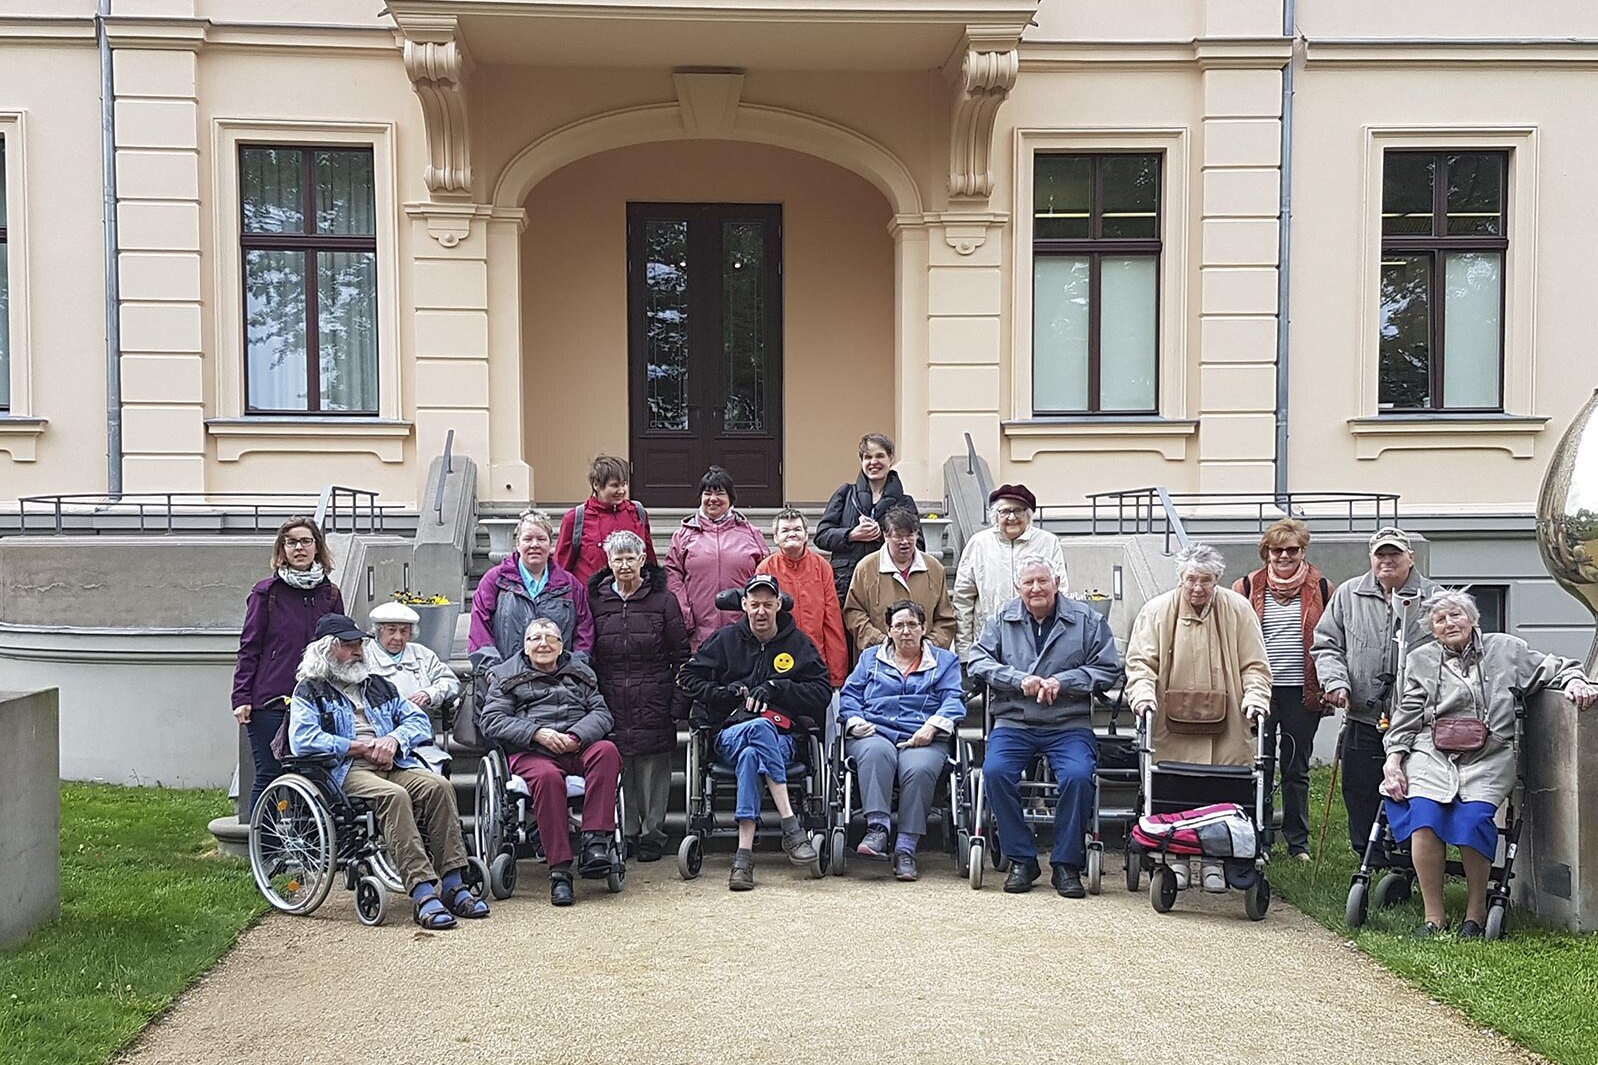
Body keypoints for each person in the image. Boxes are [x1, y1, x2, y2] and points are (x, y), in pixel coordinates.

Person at [1384, 590, 1597, 937]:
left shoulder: (1506, 650)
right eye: (1440, 619)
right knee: (1424, 819)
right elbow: (1407, 715)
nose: (1449, 623)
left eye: (1456, 615)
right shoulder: (1421, 659)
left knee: (1473, 820)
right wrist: (1394, 760)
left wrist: (1576, 681)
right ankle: (1433, 916)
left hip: (1489, 754)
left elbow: (1555, 668)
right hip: (1432, 754)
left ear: (1472, 619)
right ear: (1432, 629)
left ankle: (1476, 912)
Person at [288, 614, 489, 929]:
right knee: (393, 796)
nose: (357, 651)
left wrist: (394, 740)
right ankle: (423, 890)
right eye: (348, 645)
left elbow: (418, 721)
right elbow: (303, 740)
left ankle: (453, 882)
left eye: (359, 645)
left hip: (392, 762)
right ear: (327, 650)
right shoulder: (310, 691)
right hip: (344, 769)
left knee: (437, 786)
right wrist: (357, 747)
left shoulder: (379, 686)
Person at [968, 559, 1122, 897]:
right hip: (1014, 720)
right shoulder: (1001, 619)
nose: (1035, 589)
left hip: (1067, 722)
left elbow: (1109, 667)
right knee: (994, 773)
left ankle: (1067, 864)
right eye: (1028, 583)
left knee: (1079, 776)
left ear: (1056, 583)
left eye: (1042, 581)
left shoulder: (1086, 620)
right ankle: (1022, 858)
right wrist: (1018, 679)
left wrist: (1063, 681)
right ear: (1018, 588)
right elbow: (978, 661)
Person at [1126, 543, 1273, 893]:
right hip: (1170, 726)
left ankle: (1215, 860)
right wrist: (1143, 694)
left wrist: (1255, 696)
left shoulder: (1238, 609)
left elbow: (1255, 665)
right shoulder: (1157, 610)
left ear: (1217, 580)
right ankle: (1175, 858)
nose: (1197, 588)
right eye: (1191, 580)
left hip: (1227, 727)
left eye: (1205, 581)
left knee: (1222, 789)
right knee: (1174, 791)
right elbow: (1141, 664)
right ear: (1180, 578)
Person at [677, 574, 831, 891]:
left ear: (779, 605)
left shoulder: (798, 644)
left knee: (753, 753)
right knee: (756, 731)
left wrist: (778, 688)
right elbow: (687, 678)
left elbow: (821, 693)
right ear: (744, 605)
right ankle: (791, 825)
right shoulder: (725, 640)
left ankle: (743, 857)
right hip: (729, 734)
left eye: (767, 604)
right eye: (755, 604)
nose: (761, 611)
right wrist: (726, 693)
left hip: (783, 738)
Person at [1313, 526, 1440, 860]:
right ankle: (1367, 856)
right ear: (1371, 558)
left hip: (1415, 721)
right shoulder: (1348, 593)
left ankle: (1408, 855)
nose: (1387, 561)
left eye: (1394, 554)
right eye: (1380, 555)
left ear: (1410, 558)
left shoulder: (1434, 599)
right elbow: (1326, 644)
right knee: (1359, 788)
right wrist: (1335, 682)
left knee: (1411, 789)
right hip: (1362, 714)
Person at [480, 618, 622, 907]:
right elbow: (492, 720)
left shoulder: (580, 673)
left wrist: (576, 735)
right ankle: (559, 871)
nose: (543, 643)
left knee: (607, 751)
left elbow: (602, 714)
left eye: (550, 638)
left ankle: (595, 840)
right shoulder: (506, 676)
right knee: (546, 777)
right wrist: (537, 733)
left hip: (576, 744)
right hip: (533, 751)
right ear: (524, 645)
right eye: (535, 638)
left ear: (561, 645)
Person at [837, 599, 966, 881]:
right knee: (875, 753)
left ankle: (906, 848)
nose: (905, 631)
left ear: (923, 628)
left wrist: (932, 727)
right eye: (899, 625)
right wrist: (856, 720)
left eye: (911, 625)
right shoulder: (870, 658)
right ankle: (877, 830)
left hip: (923, 734)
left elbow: (954, 700)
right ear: (889, 630)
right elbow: (849, 695)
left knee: (918, 767)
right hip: (875, 729)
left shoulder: (944, 661)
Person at [1232, 519, 1334, 861]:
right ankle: (1258, 839)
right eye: (1278, 550)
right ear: (1267, 553)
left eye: (1292, 550)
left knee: (1296, 769)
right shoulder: (1245, 587)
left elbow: (1332, 638)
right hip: (1258, 689)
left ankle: (1298, 843)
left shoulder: (1322, 588)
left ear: (1303, 551)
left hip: (1302, 691)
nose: (1284, 556)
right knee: (1259, 764)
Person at [587, 530, 691, 863]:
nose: (625, 564)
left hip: (655, 694)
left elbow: (681, 654)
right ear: (608, 561)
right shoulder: (596, 601)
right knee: (622, 767)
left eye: (631, 557)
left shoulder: (663, 600)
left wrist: (676, 699)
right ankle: (627, 830)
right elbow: (589, 652)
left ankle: (653, 833)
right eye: (618, 558)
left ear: (643, 560)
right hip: (611, 694)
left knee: (653, 769)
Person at [232, 516, 344, 816]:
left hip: (317, 699)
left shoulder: (330, 594)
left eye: (306, 541)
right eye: (291, 542)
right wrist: (241, 697)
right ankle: (265, 852)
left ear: (317, 548)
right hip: (271, 699)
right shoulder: (266, 593)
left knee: (313, 776)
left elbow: (339, 647)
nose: (299, 548)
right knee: (270, 775)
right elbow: (250, 647)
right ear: (282, 549)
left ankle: (307, 845)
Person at [469, 509, 594, 673]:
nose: (534, 544)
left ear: (550, 544)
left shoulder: (569, 585)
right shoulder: (495, 581)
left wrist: (575, 669)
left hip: (558, 682)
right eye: (527, 539)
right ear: (517, 544)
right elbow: (480, 630)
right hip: (507, 682)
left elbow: (584, 630)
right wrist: (495, 673)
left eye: (541, 539)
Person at [952, 483, 1068, 660]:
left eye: (1018, 511)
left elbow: (1060, 593)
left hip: (1038, 642)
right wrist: (965, 653)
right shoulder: (979, 544)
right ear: (995, 516)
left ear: (1028, 515)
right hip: (989, 643)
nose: (1012, 517)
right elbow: (963, 600)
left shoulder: (1048, 542)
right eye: (1005, 511)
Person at [664, 466, 769, 649]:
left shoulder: (751, 533)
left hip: (744, 632)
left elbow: (765, 574)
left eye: (720, 493)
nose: (713, 499)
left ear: (731, 498)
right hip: (699, 633)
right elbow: (672, 575)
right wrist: (684, 613)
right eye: (707, 494)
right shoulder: (683, 536)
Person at [816, 433, 919, 611]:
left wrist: (883, 535)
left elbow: (919, 545)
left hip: (887, 584)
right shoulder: (845, 494)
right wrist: (851, 535)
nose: (873, 462)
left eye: (880, 456)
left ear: (891, 458)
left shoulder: (904, 502)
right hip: (845, 583)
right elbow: (822, 536)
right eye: (868, 457)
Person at [756, 507, 849, 688]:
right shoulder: (765, 569)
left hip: (815, 658)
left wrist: (837, 674)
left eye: (797, 529)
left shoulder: (822, 567)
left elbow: (832, 620)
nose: (792, 534)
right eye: (785, 530)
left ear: (807, 535)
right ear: (775, 538)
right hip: (778, 660)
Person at [842, 506, 956, 652]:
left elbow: (945, 618)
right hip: (878, 657)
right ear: (886, 536)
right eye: (898, 536)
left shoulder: (934, 569)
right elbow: (854, 613)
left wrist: (929, 644)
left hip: (925, 659)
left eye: (910, 535)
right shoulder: (866, 568)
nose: (905, 542)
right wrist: (880, 641)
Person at [555, 454, 657, 584]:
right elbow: (561, 567)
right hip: (591, 599)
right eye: (614, 485)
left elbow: (649, 559)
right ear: (596, 485)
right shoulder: (575, 519)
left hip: (633, 599)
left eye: (624, 484)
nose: (621, 491)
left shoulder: (637, 513)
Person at [365, 600, 461, 713]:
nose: (398, 637)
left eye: (404, 631)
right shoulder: (365, 656)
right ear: (378, 631)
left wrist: (430, 694)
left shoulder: (422, 654)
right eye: (391, 630)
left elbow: (451, 682)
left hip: (421, 724)